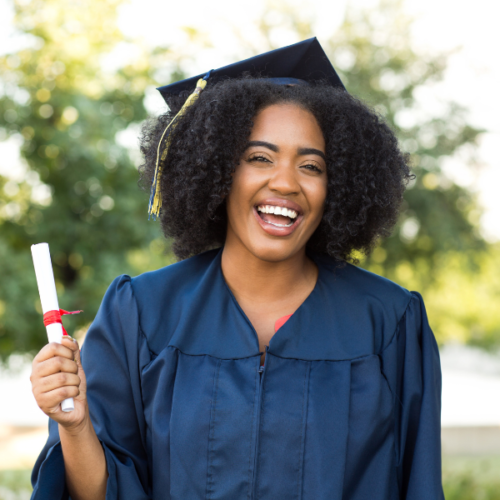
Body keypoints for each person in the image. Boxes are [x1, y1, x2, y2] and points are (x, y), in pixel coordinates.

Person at [29, 38, 444, 500]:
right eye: (259, 157)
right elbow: (102, 492)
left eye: (311, 165)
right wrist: (75, 424)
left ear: (338, 185)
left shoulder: (388, 322)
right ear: (217, 170)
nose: (285, 182)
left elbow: (420, 485)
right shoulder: (143, 314)